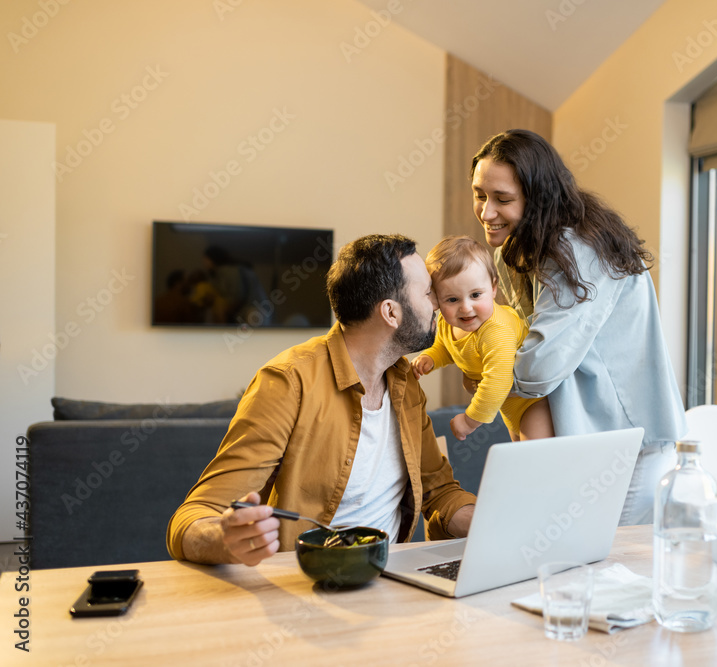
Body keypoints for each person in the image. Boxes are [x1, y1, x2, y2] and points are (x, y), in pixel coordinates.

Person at [166, 234, 476, 565]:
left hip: (390, 584)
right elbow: (191, 519)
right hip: (305, 589)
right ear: (390, 312)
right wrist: (225, 538)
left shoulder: (406, 385)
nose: (438, 304)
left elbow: (439, 492)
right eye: (427, 292)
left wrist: (493, 522)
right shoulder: (288, 382)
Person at [469, 129, 687, 526]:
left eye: (502, 199)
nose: (486, 212)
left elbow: (540, 366)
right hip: (591, 437)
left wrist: (486, 373)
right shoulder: (519, 249)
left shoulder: (576, 250)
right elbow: (525, 340)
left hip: (628, 441)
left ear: (536, 200)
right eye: (480, 194)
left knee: (610, 568)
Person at [411, 235, 553, 442]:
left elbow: (498, 380)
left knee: (536, 463)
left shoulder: (495, 330)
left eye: (476, 295)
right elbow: (447, 346)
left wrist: (470, 421)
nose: (466, 307)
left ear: (493, 288)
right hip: (508, 407)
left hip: (534, 403)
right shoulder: (447, 323)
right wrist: (431, 357)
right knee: (522, 462)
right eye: (452, 299)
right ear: (436, 300)